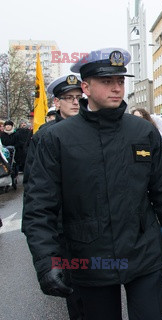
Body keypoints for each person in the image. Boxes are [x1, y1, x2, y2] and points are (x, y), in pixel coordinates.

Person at [22, 48, 162, 320]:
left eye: (120, 81)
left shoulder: (143, 131)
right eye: (107, 82)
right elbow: (39, 207)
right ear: (86, 87)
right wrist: (46, 261)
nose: (116, 88)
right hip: (90, 257)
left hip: (143, 251)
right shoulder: (57, 139)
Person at [22, 73, 85, 319]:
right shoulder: (44, 136)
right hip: (64, 228)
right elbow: (34, 189)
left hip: (97, 227)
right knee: (77, 296)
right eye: (68, 98)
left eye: (79, 97)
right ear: (57, 103)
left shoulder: (94, 129)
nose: (74, 102)